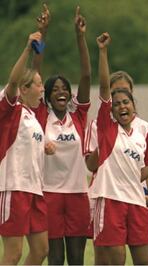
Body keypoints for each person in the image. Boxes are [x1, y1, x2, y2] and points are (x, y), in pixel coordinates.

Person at [89, 32, 148, 265]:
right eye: (115, 102)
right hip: (110, 200)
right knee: (114, 259)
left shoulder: (143, 129)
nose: (121, 104)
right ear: (110, 109)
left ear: (134, 103)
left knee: (144, 261)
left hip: (136, 201)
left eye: (126, 100)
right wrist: (103, 52)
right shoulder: (105, 125)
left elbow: (142, 172)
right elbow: (104, 88)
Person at [31, 5, 92, 265]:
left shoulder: (78, 115)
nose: (61, 92)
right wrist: (42, 34)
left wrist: (80, 37)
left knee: (76, 259)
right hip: (49, 194)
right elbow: (34, 73)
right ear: (46, 95)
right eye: (55, 89)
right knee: (55, 259)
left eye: (65, 88)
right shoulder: (41, 116)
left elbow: (87, 75)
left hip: (78, 194)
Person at [0, 32, 49, 264]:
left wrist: (45, 145)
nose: (43, 90)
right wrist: (28, 48)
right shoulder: (10, 109)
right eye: (39, 85)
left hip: (34, 190)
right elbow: (12, 82)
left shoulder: (33, 116)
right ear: (25, 88)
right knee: (13, 254)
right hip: (13, 187)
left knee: (41, 250)